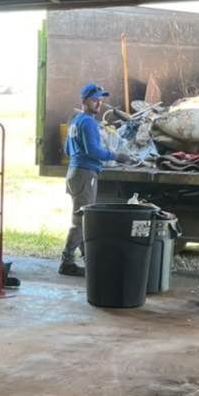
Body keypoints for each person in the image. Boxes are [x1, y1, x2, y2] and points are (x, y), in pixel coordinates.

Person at [60, 82, 126, 277]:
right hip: (85, 174)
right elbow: (94, 151)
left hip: (74, 172)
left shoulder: (75, 120)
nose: (99, 103)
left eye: (100, 99)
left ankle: (88, 259)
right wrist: (115, 155)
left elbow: (66, 149)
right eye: (94, 99)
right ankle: (67, 261)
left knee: (82, 218)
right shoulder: (88, 122)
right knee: (81, 221)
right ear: (84, 101)